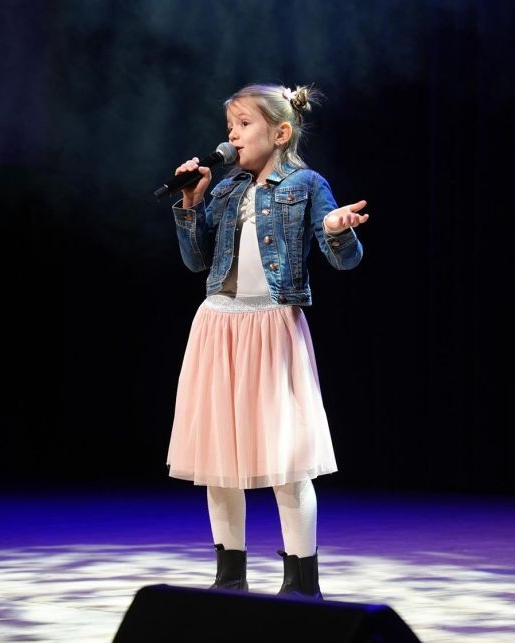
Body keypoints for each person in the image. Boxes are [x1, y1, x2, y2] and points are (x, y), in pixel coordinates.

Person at [166, 83, 369, 599]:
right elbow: (196, 261)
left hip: (272, 327)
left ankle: (301, 583)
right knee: (218, 461)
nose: (232, 136)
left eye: (244, 124)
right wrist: (191, 202)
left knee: (286, 460)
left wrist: (338, 228)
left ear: (279, 133)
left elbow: (343, 259)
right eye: (229, 126)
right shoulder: (226, 188)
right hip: (219, 325)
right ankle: (229, 577)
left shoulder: (306, 184)